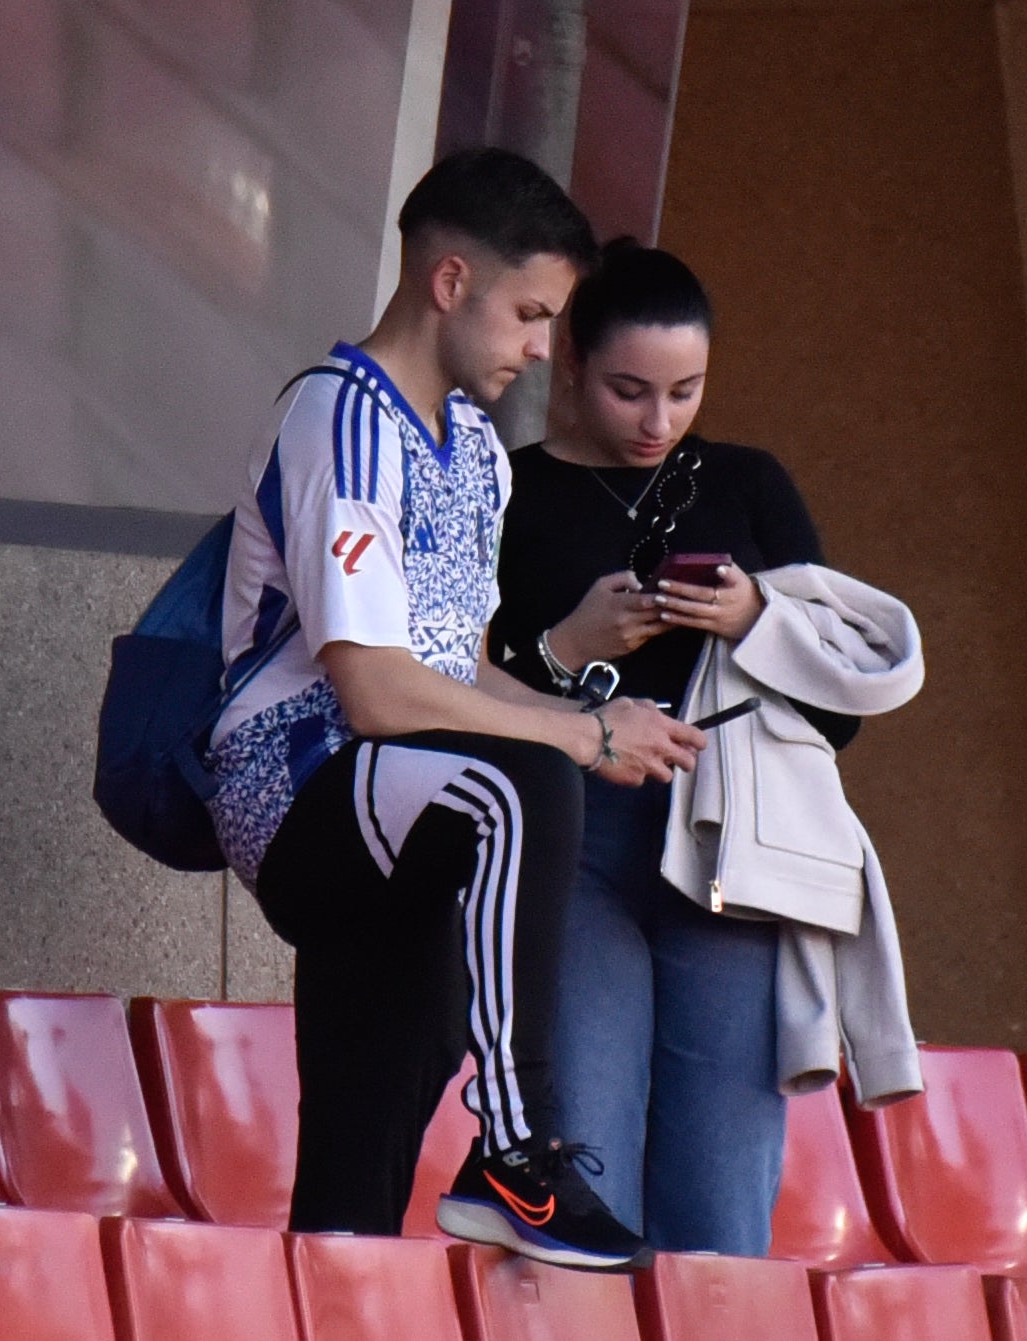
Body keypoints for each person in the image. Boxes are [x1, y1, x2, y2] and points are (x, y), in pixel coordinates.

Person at [202, 150, 705, 1270]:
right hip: (295, 787)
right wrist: (567, 738)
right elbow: (374, 690)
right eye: (529, 314)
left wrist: (595, 721)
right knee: (518, 780)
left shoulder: (476, 448)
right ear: (447, 282)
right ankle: (516, 1156)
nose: (540, 349)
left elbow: (461, 668)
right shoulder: (340, 420)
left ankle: (335, 1284)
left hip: (412, 798)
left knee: (362, 1155)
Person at [490, 241, 859, 1255]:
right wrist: (566, 646)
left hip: (725, 843)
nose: (657, 422)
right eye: (627, 391)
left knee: (723, 1190)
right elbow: (438, 681)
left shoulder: (745, 484)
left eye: (684, 392)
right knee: (584, 1170)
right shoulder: (507, 492)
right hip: (573, 839)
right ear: (567, 364)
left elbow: (839, 715)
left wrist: (754, 620)